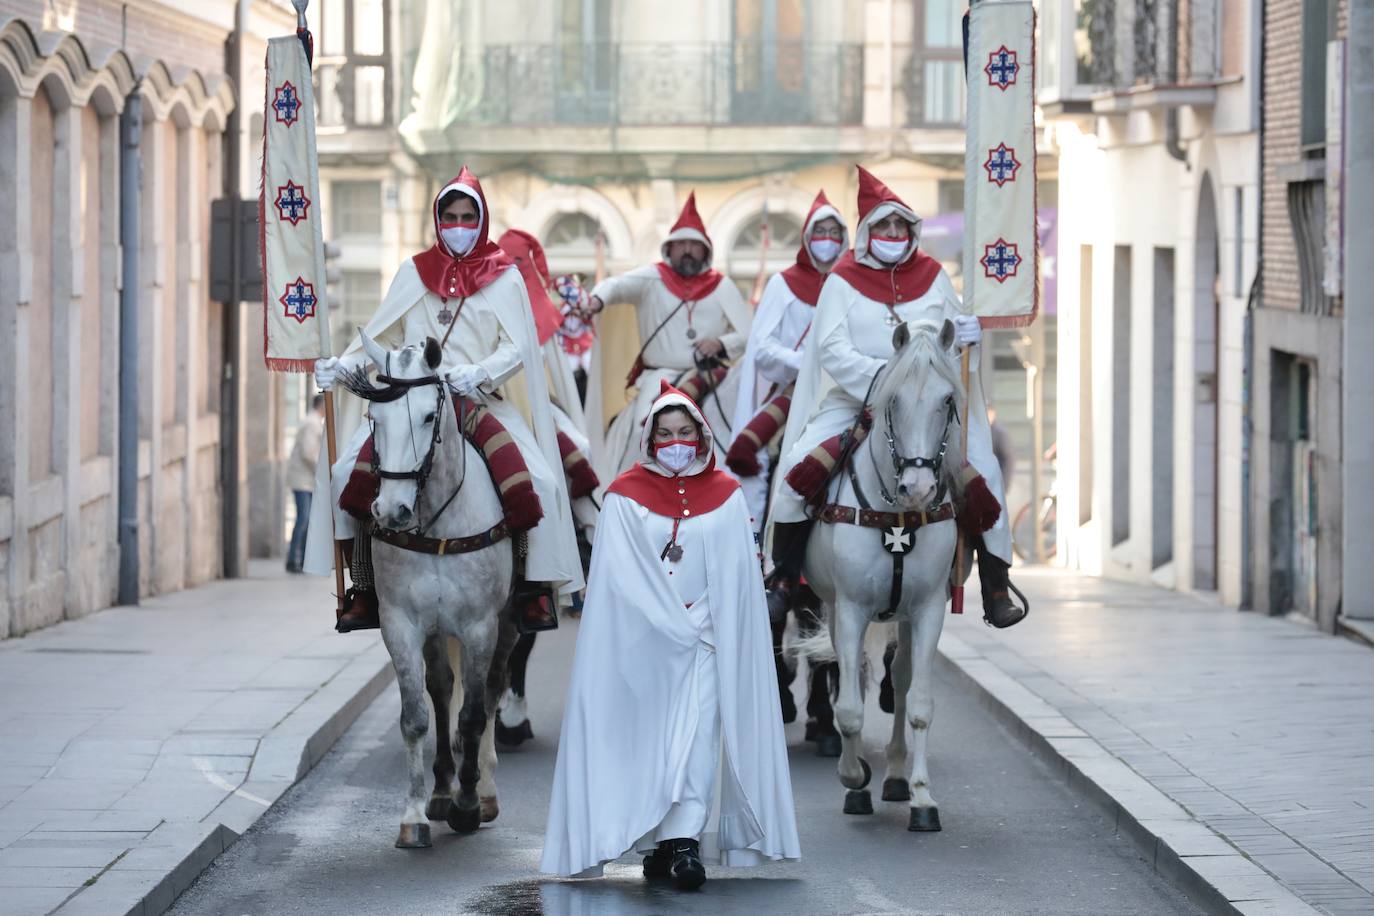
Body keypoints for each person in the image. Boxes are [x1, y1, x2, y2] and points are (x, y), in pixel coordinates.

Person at [541, 380, 800, 889]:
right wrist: (666, 620)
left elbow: (735, 576)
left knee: (698, 738)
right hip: (645, 643)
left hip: (705, 639)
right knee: (653, 743)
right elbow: (620, 576)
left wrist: (702, 620)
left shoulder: (725, 495)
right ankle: (658, 842)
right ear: (650, 438)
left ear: (701, 436)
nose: (675, 442)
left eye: (685, 432)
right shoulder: (624, 497)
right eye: (665, 433)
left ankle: (685, 843)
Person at [304, 167, 583, 632]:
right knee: (343, 475)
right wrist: (341, 366)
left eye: (466, 216)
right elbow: (381, 338)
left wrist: (480, 370)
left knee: (541, 482)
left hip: (478, 403)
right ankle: (365, 587)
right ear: (438, 219)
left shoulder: (505, 278)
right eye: (450, 216)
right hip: (414, 404)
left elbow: (518, 346)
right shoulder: (413, 273)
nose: (458, 225)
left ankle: (532, 589)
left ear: (482, 219)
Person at [768, 166, 1025, 629]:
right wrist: (886, 379)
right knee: (795, 474)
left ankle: (995, 583)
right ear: (867, 232)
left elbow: (953, 351)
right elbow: (830, 348)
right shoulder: (842, 281)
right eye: (883, 225)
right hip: (854, 401)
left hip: (924, 407)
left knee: (983, 469)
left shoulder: (935, 278)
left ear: (912, 231)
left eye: (900, 225)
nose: (892, 232)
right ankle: (784, 579)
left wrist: (971, 338)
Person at [582, 192, 752, 484]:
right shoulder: (652, 278)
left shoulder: (722, 286)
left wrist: (721, 343)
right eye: (681, 244)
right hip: (658, 378)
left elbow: (749, 334)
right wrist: (596, 300)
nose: (687, 250)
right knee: (642, 427)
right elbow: (615, 286)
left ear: (706, 251)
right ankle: (630, 489)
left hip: (710, 374)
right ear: (669, 249)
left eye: (694, 245)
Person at [727, 190, 848, 532]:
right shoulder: (783, 284)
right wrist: (804, 363)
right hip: (791, 389)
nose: (827, 240)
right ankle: (754, 543)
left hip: (844, 389)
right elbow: (762, 347)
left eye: (834, 233)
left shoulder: (853, 284)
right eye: (820, 233)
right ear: (807, 238)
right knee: (755, 454)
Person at [285, 394, 325, 573]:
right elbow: (309, 453)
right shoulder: (312, 423)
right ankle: (294, 559)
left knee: (305, 520)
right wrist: (322, 471)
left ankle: (299, 559)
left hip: (306, 479)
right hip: (303, 480)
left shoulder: (313, 422)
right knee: (303, 519)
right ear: (321, 406)